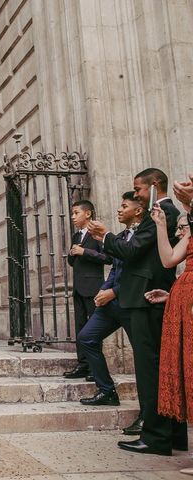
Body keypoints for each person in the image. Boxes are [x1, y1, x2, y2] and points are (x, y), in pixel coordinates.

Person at [89, 167, 185, 456]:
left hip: (146, 298)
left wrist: (106, 236)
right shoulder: (159, 212)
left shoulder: (162, 212)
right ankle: (175, 435)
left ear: (154, 185)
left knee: (149, 369)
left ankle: (156, 437)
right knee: (158, 367)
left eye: (139, 190)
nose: (138, 197)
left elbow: (133, 252)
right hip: (145, 296)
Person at [77, 192, 144, 410]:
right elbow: (115, 267)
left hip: (132, 303)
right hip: (111, 303)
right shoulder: (122, 235)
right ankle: (106, 391)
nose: (118, 209)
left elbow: (141, 273)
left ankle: (149, 413)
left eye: (124, 206)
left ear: (138, 210)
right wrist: (104, 290)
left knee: (143, 357)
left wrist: (113, 292)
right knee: (86, 337)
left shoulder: (144, 236)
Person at [146, 176, 193, 474]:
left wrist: (189, 202)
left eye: (182, 226)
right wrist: (162, 225)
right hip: (184, 296)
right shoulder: (187, 235)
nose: (181, 230)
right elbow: (168, 260)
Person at [64, 200, 112, 380]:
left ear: (88, 214)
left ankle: (94, 368)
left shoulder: (97, 234)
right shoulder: (77, 237)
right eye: (72, 213)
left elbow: (107, 258)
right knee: (80, 328)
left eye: (76, 213)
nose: (73, 217)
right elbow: (72, 262)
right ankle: (82, 364)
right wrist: (72, 253)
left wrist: (84, 252)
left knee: (93, 329)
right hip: (78, 289)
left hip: (93, 288)